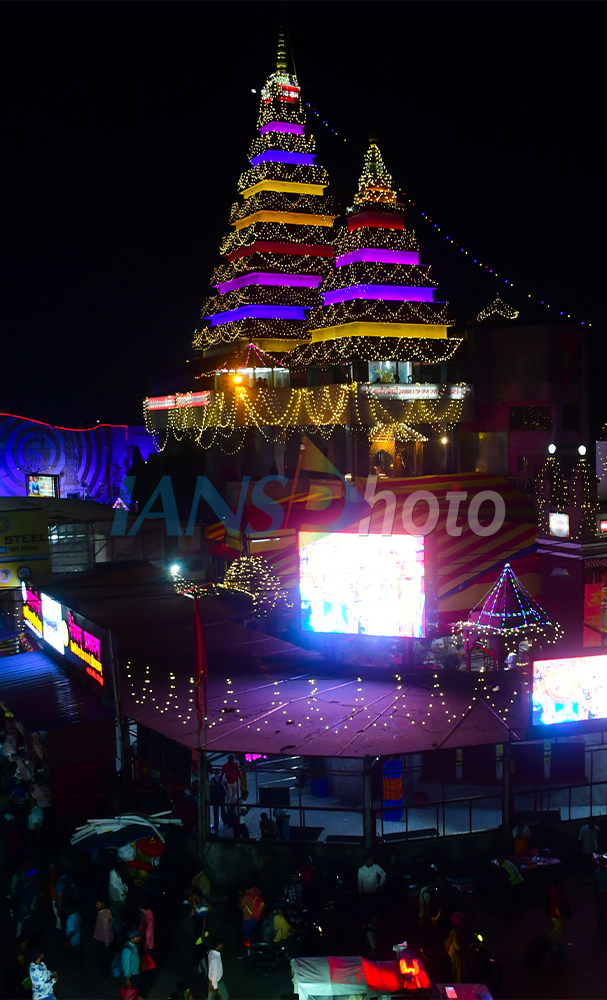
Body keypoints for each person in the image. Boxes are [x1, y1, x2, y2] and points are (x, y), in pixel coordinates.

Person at [444, 913, 472, 983]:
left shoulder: (453, 929)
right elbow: (458, 946)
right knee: (460, 976)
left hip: (453, 954)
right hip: (456, 956)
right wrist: (469, 946)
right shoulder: (455, 931)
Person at [93, 898, 114, 976]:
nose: (96, 905)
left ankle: (103, 973)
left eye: (97, 903)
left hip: (103, 941)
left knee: (102, 957)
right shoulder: (106, 912)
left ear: (103, 904)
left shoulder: (103, 916)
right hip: (104, 940)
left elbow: (106, 931)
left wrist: (107, 944)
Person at [549, 879, 569, 954]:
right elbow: (556, 905)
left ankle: (555, 945)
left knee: (556, 931)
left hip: (555, 914)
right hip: (557, 915)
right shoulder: (556, 891)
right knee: (558, 932)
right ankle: (555, 949)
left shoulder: (554, 889)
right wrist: (561, 917)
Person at [64, 903, 83, 969]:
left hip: (73, 940)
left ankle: (78, 967)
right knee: (77, 952)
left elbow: (72, 932)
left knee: (74, 953)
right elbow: (80, 922)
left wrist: (67, 940)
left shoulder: (70, 920)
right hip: (78, 937)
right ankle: (76, 964)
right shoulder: (77, 913)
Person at [138, 900, 155, 965]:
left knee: (147, 962)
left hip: (147, 944)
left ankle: (148, 974)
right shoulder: (149, 913)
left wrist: (146, 947)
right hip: (144, 941)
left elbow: (148, 933)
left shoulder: (148, 917)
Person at [594, 855, 607, 930]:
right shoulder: (597, 872)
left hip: (604, 891)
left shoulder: (597, 872)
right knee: (601, 908)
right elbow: (595, 883)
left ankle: (602, 921)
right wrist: (596, 893)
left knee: (604, 907)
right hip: (601, 892)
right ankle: (600, 923)